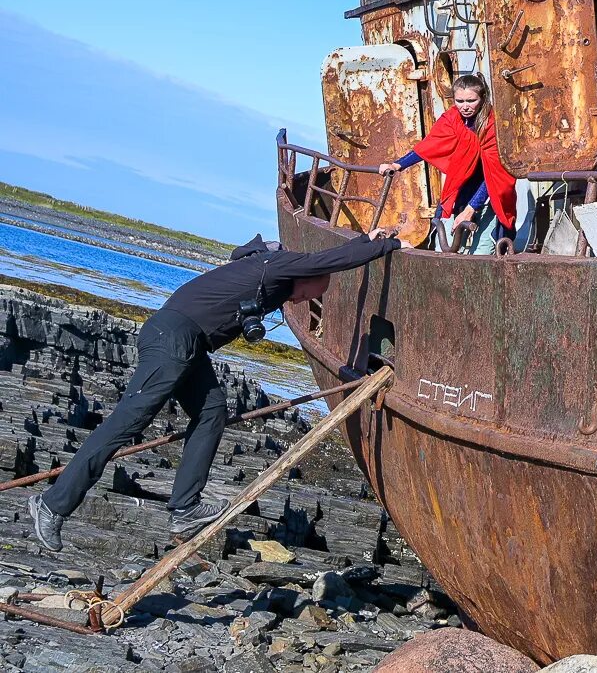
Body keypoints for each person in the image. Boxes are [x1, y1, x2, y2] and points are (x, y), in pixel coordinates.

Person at [30, 227, 401, 553]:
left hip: (188, 344)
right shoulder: (280, 266)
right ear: (305, 277)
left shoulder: (266, 272)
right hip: (172, 338)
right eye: (310, 294)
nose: (303, 302)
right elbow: (334, 259)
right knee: (126, 425)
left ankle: (184, 509)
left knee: (212, 412)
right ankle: (52, 505)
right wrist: (382, 243)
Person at [379, 73, 519, 252]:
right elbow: (428, 146)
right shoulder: (452, 119)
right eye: (460, 101)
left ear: (482, 98)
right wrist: (397, 165)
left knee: (482, 253)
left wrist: (471, 209)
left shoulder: (495, 125)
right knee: (444, 249)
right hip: (460, 192)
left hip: (489, 197)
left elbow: (495, 173)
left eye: (471, 100)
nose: (465, 106)